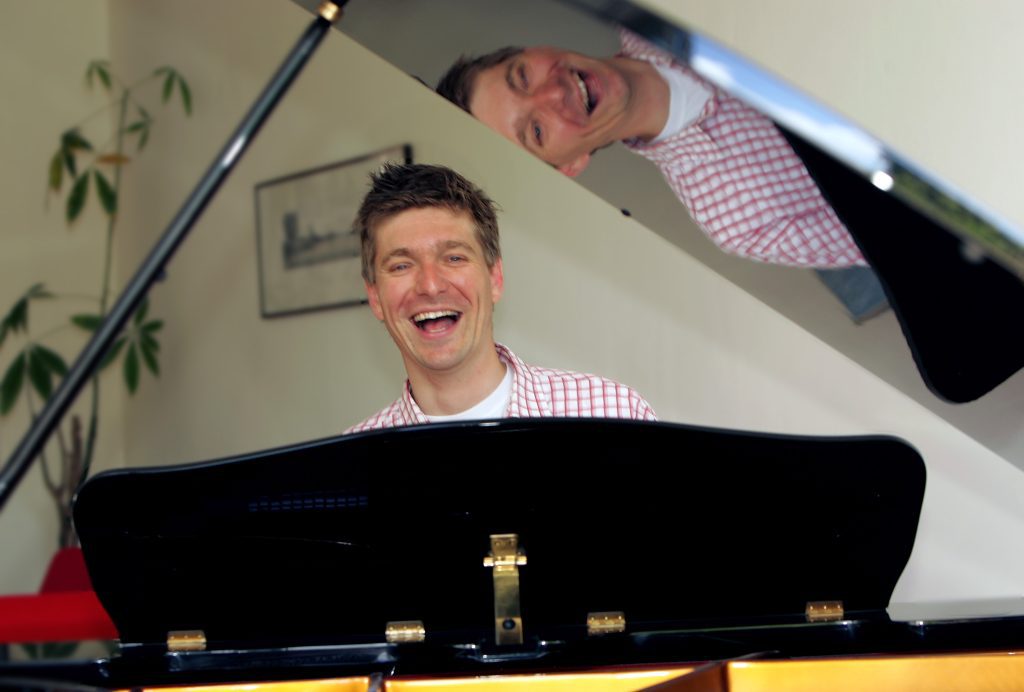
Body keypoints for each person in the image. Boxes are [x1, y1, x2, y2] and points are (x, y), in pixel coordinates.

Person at [436, 31, 867, 270]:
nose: (554, 92)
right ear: (570, 164)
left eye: (523, 76)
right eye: (535, 130)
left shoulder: (664, 11)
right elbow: (914, 240)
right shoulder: (739, 222)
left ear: (533, 47)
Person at [346, 163, 657, 432]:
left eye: (454, 258)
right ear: (374, 297)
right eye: (401, 265)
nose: (430, 285)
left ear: (495, 278)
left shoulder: (614, 414)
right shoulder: (348, 466)